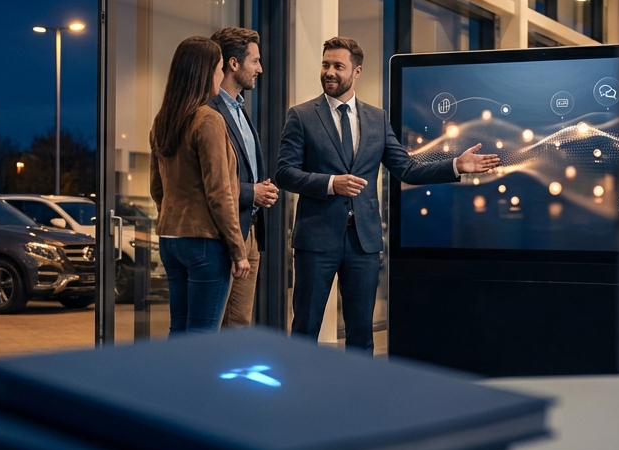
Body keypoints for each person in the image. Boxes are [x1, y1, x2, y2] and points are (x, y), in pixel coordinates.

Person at [275, 37, 499, 352]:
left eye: (338, 66)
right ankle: (297, 396)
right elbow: (285, 172)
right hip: (316, 240)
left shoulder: (377, 119)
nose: (329, 72)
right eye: (326, 65)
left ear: (356, 71)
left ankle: (361, 397)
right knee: (304, 330)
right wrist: (330, 183)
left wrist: (455, 165)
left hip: (363, 244)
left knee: (361, 335)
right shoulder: (301, 116)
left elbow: (406, 169)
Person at [149, 36, 252, 333]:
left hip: (170, 239)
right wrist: (238, 249)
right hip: (206, 242)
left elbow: (158, 189)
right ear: (205, 71)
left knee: (179, 331)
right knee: (203, 338)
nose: (221, 75)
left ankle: (172, 381)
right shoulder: (208, 119)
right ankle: (195, 382)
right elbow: (220, 193)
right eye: (219, 68)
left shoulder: (163, 121)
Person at [209, 26, 277, 328]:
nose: (260, 69)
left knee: (238, 325)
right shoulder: (209, 112)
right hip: (222, 234)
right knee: (212, 325)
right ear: (233, 64)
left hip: (248, 231)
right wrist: (253, 192)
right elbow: (210, 182)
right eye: (255, 61)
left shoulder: (239, 110)